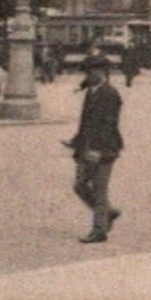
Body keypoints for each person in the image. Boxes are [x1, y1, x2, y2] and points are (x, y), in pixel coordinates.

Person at [65, 58, 124, 243]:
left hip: (104, 149)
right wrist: (76, 141)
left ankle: (99, 230)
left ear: (101, 73)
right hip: (87, 147)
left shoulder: (111, 95)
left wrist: (100, 151)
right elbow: (85, 123)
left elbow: (110, 126)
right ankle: (108, 213)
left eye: (90, 73)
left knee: (99, 189)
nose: (87, 76)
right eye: (86, 73)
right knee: (80, 186)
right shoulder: (91, 92)